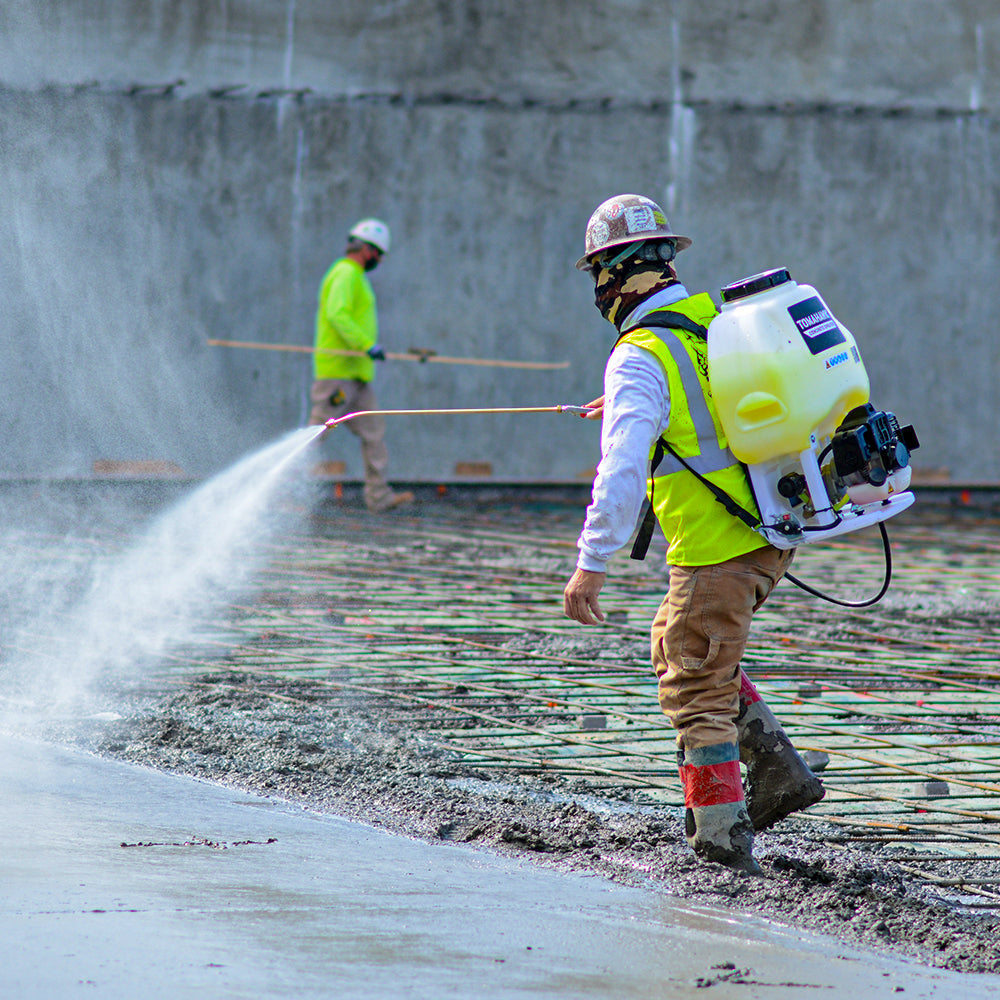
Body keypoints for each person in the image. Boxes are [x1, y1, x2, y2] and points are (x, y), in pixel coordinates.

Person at [562, 194, 824, 874]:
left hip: (716, 549)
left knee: (694, 688)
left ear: (615, 276)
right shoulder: (715, 321)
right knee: (683, 645)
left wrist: (591, 562)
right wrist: (632, 403)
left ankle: (721, 843)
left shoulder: (639, 356)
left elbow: (620, 472)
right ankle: (777, 772)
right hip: (770, 533)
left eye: (598, 275)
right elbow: (712, 403)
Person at [308, 218, 414, 513]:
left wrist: (367, 351)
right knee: (316, 433)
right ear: (366, 249)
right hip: (338, 376)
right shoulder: (345, 273)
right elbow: (337, 314)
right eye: (378, 253)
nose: (379, 259)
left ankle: (378, 497)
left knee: (374, 433)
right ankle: (281, 489)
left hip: (356, 376)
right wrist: (366, 345)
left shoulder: (356, 276)